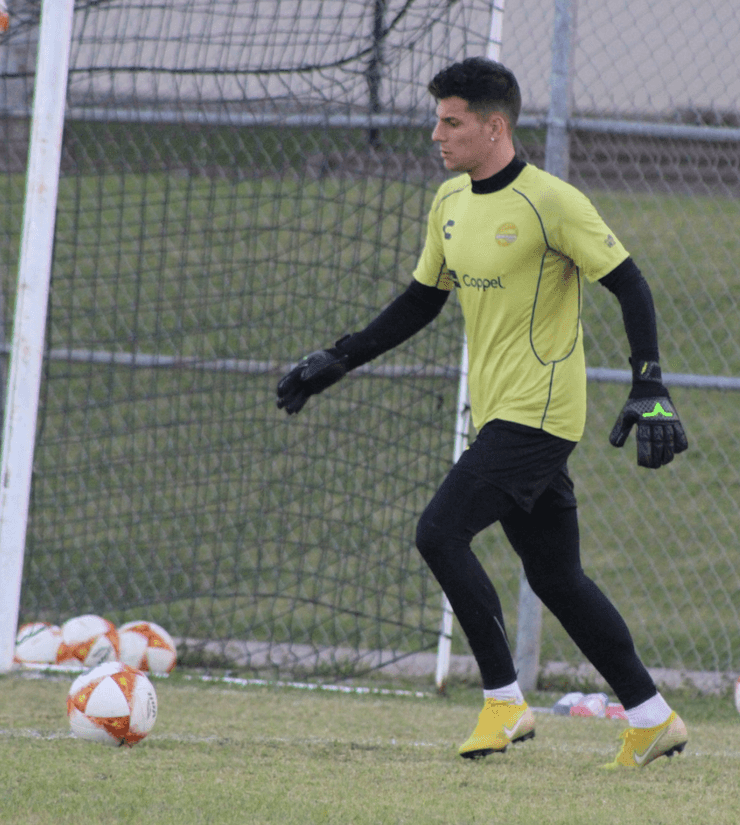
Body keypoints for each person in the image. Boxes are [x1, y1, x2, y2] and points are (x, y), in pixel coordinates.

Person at [276, 56, 689, 768]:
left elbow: (631, 285)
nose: (437, 132)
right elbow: (420, 300)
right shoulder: (449, 202)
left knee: (439, 532)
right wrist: (339, 357)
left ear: (494, 127)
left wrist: (648, 382)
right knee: (558, 579)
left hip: (541, 412)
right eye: (437, 118)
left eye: (452, 120)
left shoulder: (550, 201)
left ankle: (504, 702)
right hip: (498, 411)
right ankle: (652, 715)